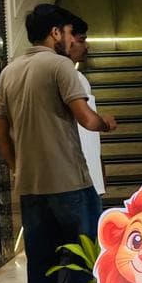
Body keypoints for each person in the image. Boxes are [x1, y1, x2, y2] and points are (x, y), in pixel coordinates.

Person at [0, 4, 117, 283]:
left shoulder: (9, 71)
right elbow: (85, 119)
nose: (69, 37)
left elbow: (0, 131)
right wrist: (105, 122)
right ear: (54, 33)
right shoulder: (60, 66)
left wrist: (18, 167)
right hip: (71, 184)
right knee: (83, 263)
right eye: (66, 31)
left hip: (31, 188)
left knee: (41, 266)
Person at [63, 12, 106, 200]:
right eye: (82, 40)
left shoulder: (78, 78)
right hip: (77, 181)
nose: (86, 46)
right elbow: (87, 128)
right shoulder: (70, 78)